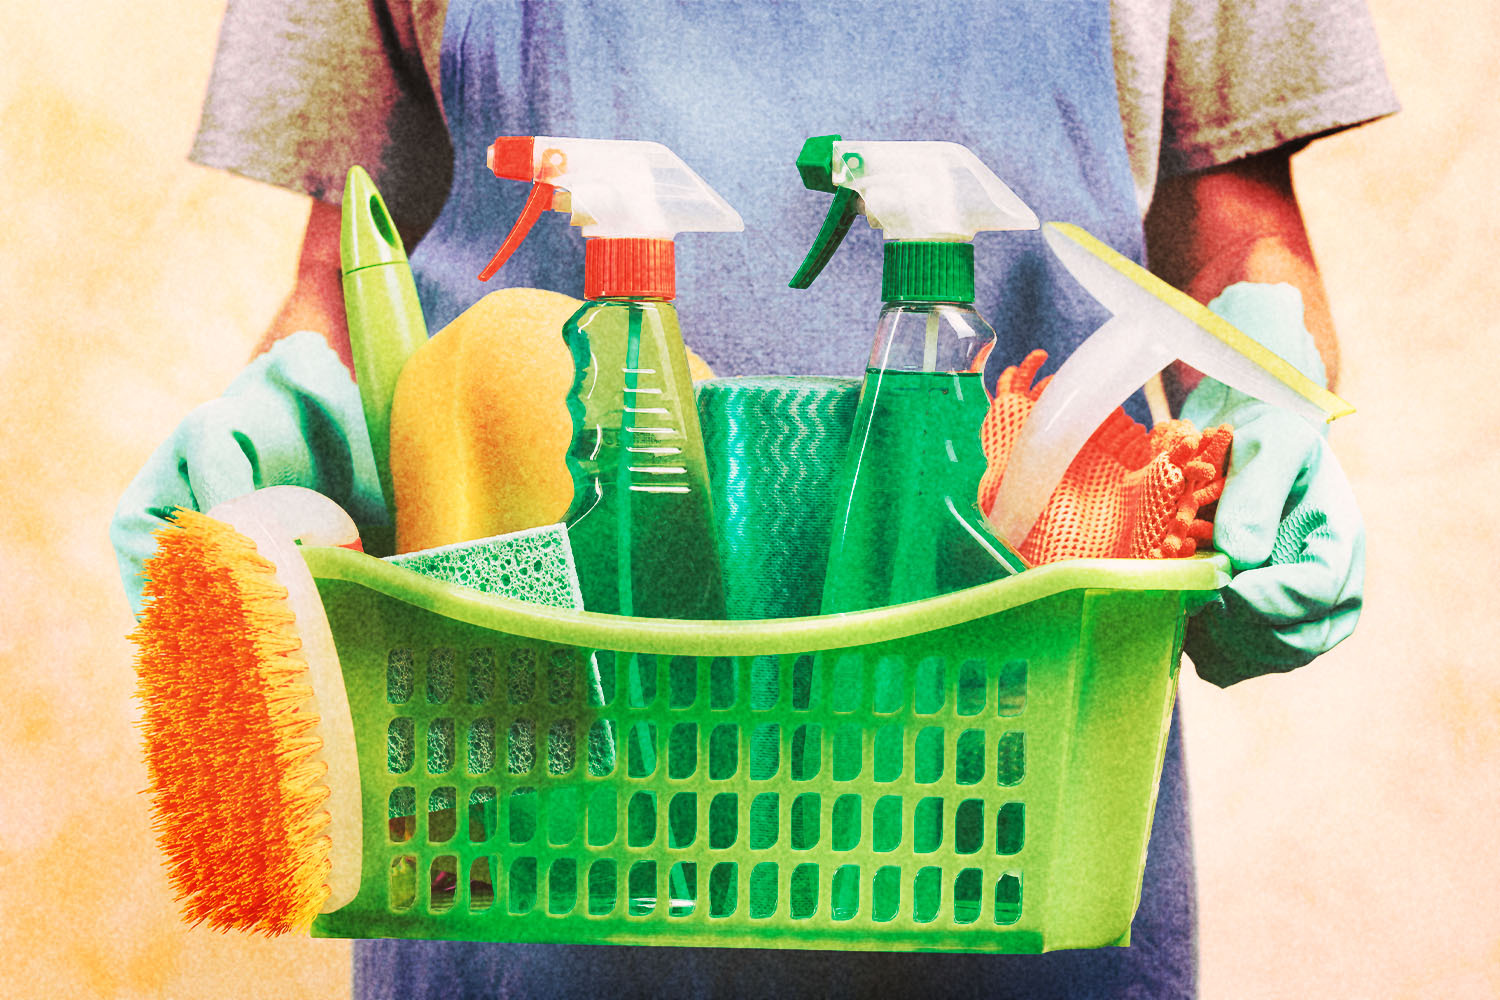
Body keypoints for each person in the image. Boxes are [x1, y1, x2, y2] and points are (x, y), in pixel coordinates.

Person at [115, 1, 1395, 996]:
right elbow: (352, 250)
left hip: (1008, 808)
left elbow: (1242, 227)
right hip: (514, 848)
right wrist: (297, 452)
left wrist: (1255, 419)